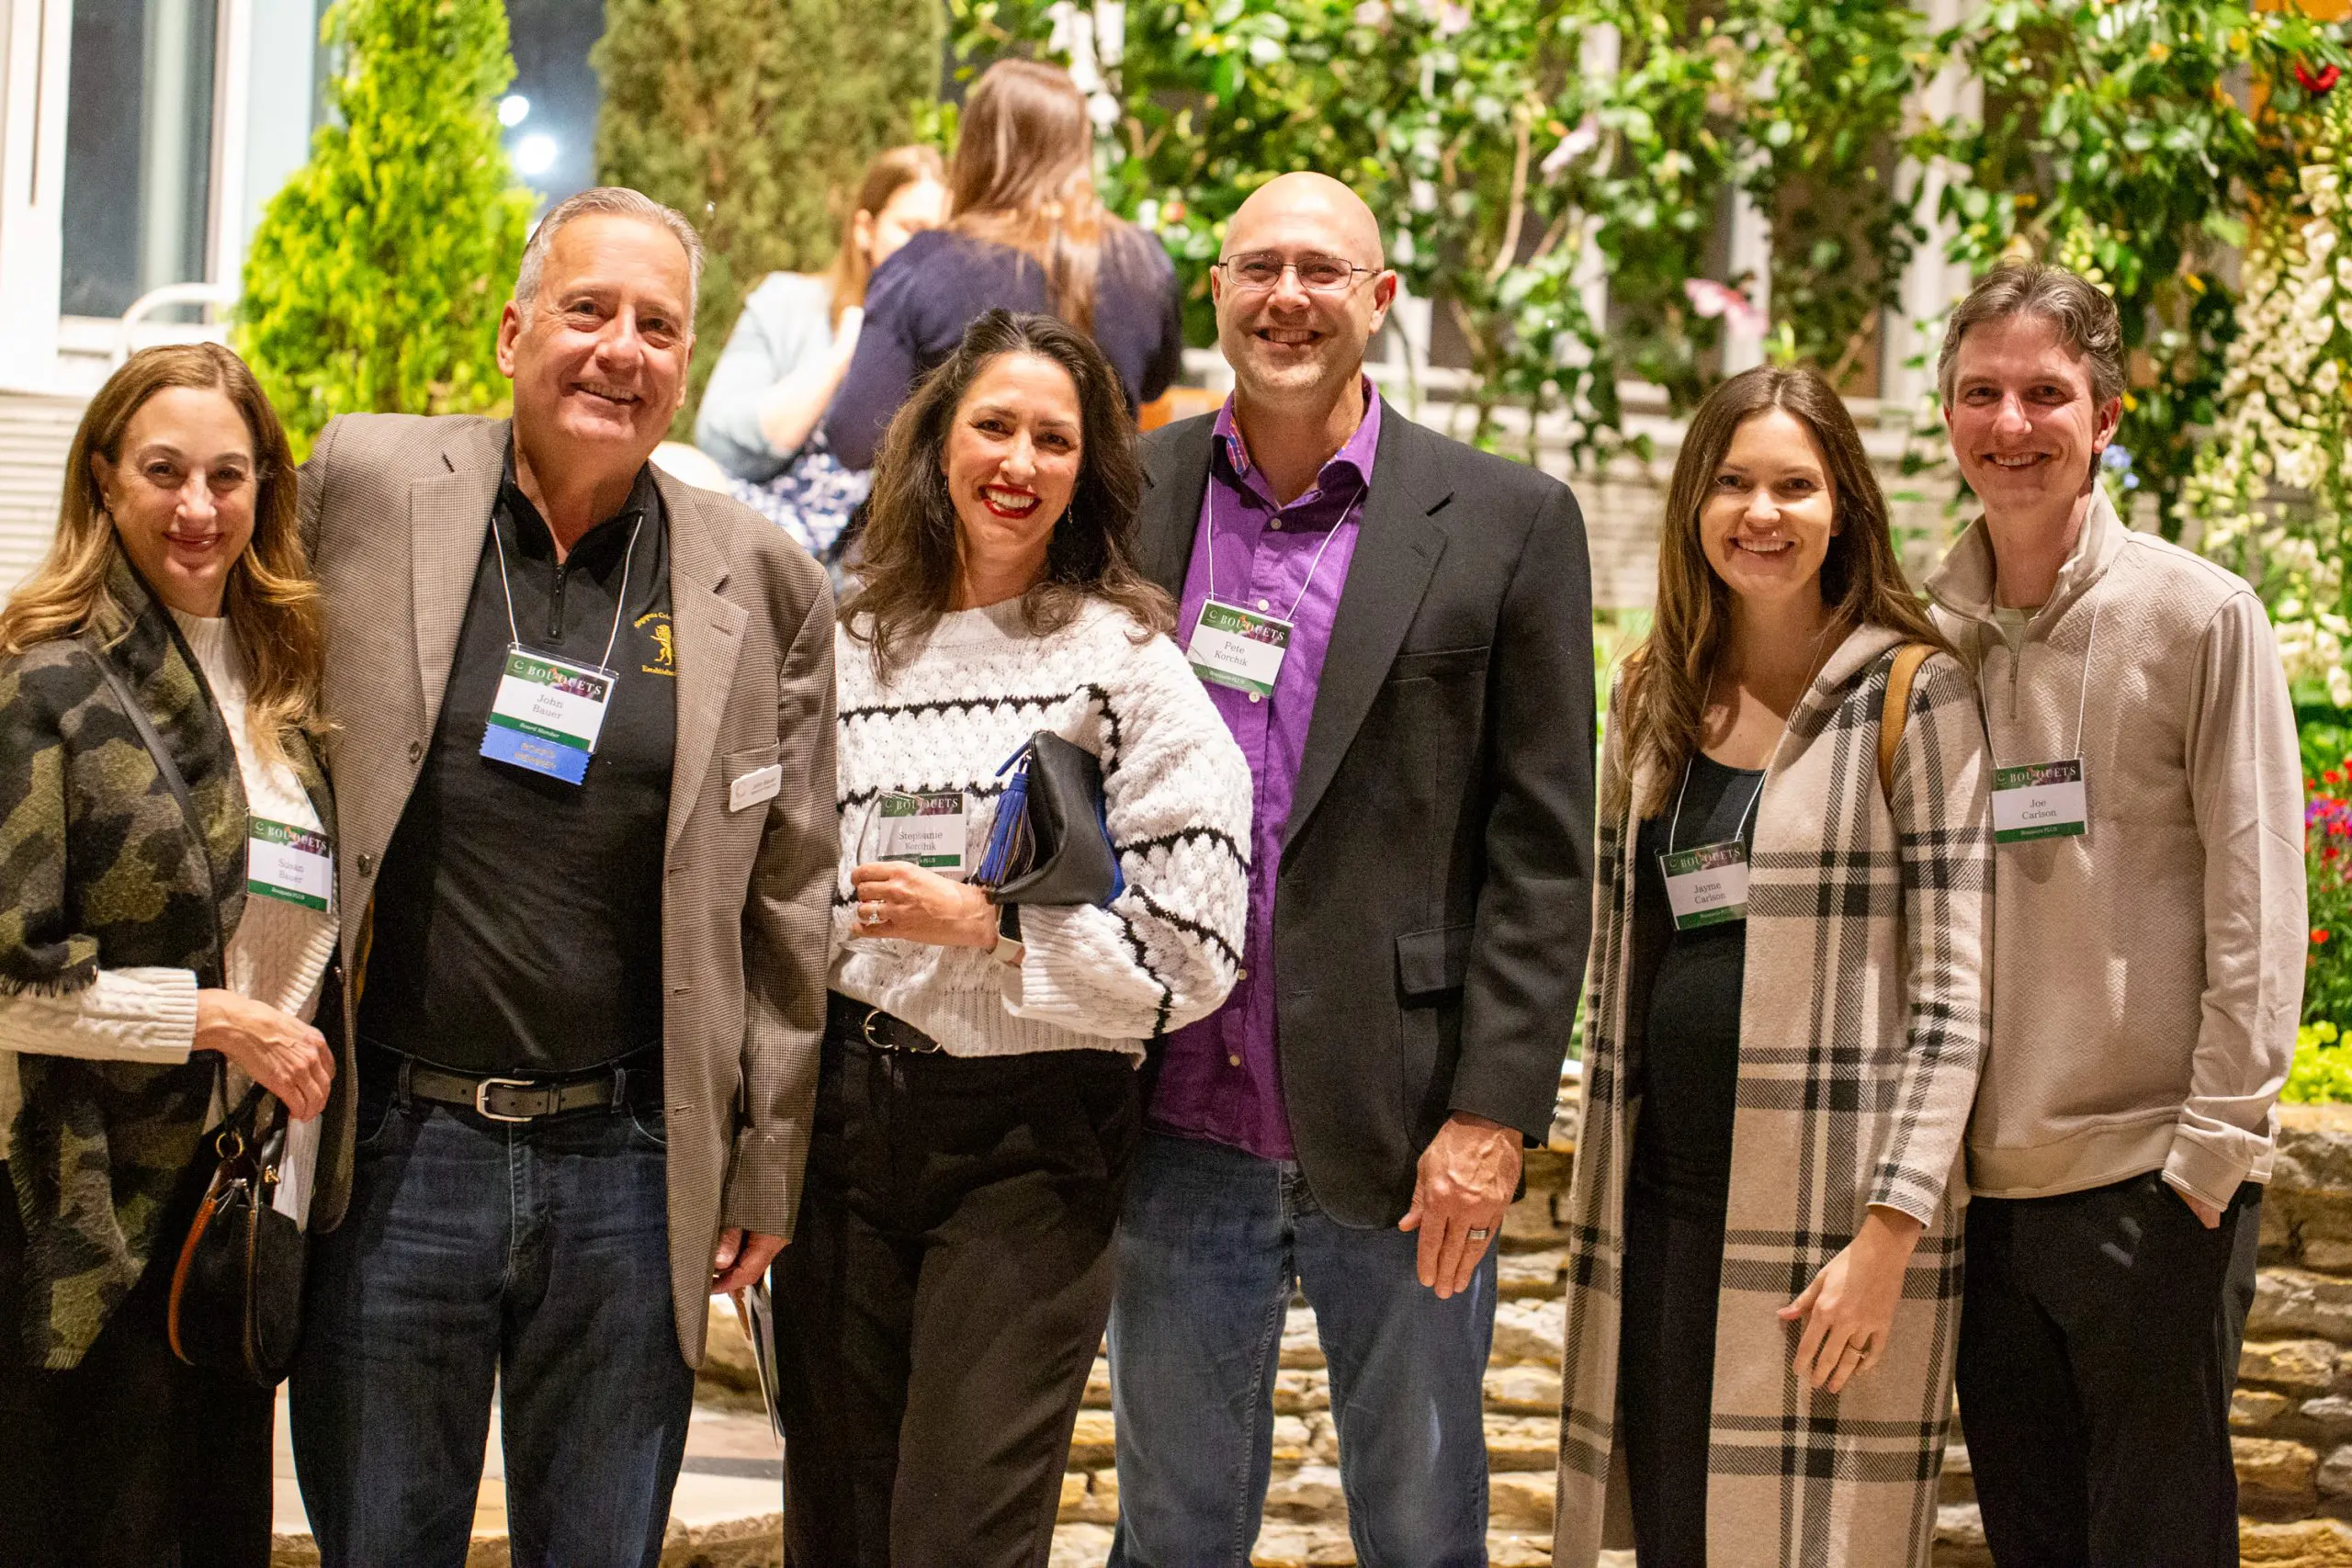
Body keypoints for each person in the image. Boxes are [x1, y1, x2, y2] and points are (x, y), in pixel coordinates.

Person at [287, 187, 837, 1568]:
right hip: (396, 1150)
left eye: (658, 325)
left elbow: (791, 895)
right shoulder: (363, 485)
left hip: (630, 1169)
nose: (620, 349)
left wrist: (766, 1156)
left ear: (688, 362)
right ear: (512, 330)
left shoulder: (763, 577)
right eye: (588, 310)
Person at [1105, 172, 1594, 1566]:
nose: (1288, 297)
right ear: (1218, 293)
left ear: (1378, 299)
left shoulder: (1507, 520)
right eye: (1259, 268)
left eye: (1322, 270)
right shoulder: (1130, 496)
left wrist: (1493, 1114)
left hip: (1408, 1127)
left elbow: (1543, 850)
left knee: (1424, 1531)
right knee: (1171, 1531)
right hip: (1172, 1121)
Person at [775, 307, 1251, 1567]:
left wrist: (994, 930)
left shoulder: (1128, 664)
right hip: (840, 1127)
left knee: (960, 1533)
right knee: (836, 1523)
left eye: (1055, 439)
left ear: (1087, 472)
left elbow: (1197, 945)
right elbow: (774, 882)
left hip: (1028, 1147)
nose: (1019, 461)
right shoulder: (847, 644)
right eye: (994, 426)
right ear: (938, 442)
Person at [1551, 366, 1993, 1568]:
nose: (1762, 512)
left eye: (1795, 485)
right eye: (1734, 482)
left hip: (1830, 1227)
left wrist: (1889, 1235)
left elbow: (1956, 1003)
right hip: (1663, 1211)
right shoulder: (1653, 692)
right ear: (1694, 503)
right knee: (1675, 1537)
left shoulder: (1914, 694)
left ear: (1842, 506)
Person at [1928, 262, 2306, 1566]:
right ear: (1947, 414)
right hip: (1982, 1200)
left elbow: (2260, 896)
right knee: (2031, 1542)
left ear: (2106, 416)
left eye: (2046, 393)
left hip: (2150, 1186)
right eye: (1981, 392)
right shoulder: (1924, 633)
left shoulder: (2198, 616)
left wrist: (2209, 1155)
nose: (2011, 424)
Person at [0, 343, 339, 1566]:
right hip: (82, 1219)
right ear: (104, 477)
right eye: (163, 471)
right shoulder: (47, 678)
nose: (198, 506)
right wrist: (215, 1022)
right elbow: (9, 978)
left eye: (227, 475)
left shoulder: (287, 684)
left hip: (232, 1217)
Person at [822, 61, 1184, 470]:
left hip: (964, 507)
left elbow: (857, 440)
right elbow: (1154, 384)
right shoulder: (1142, 257)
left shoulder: (925, 263)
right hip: (1102, 509)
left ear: (976, 146)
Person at [695, 144, 947, 561]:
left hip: (856, 569)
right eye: (911, 230)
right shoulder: (787, 302)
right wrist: (840, 359)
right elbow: (719, 444)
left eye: (941, 239)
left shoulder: (943, 347)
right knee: (675, 466)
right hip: (748, 530)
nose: (926, 254)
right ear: (865, 229)